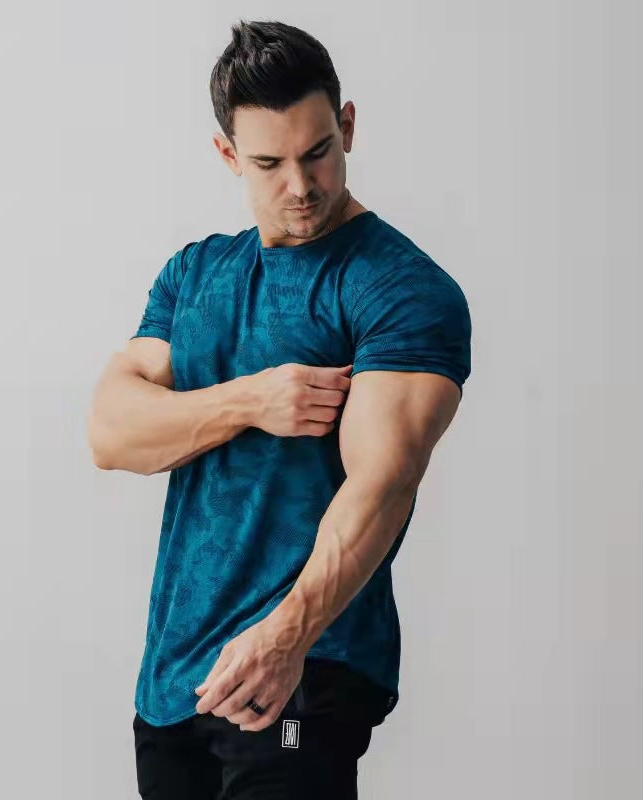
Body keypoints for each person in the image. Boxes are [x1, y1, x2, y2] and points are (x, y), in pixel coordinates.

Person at [88, 18, 472, 799]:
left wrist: (287, 636)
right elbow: (111, 433)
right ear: (228, 154)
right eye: (269, 162)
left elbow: (384, 482)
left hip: (302, 674)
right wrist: (251, 398)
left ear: (348, 126)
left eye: (318, 151)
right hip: (174, 683)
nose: (300, 185)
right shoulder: (196, 275)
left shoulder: (398, 287)